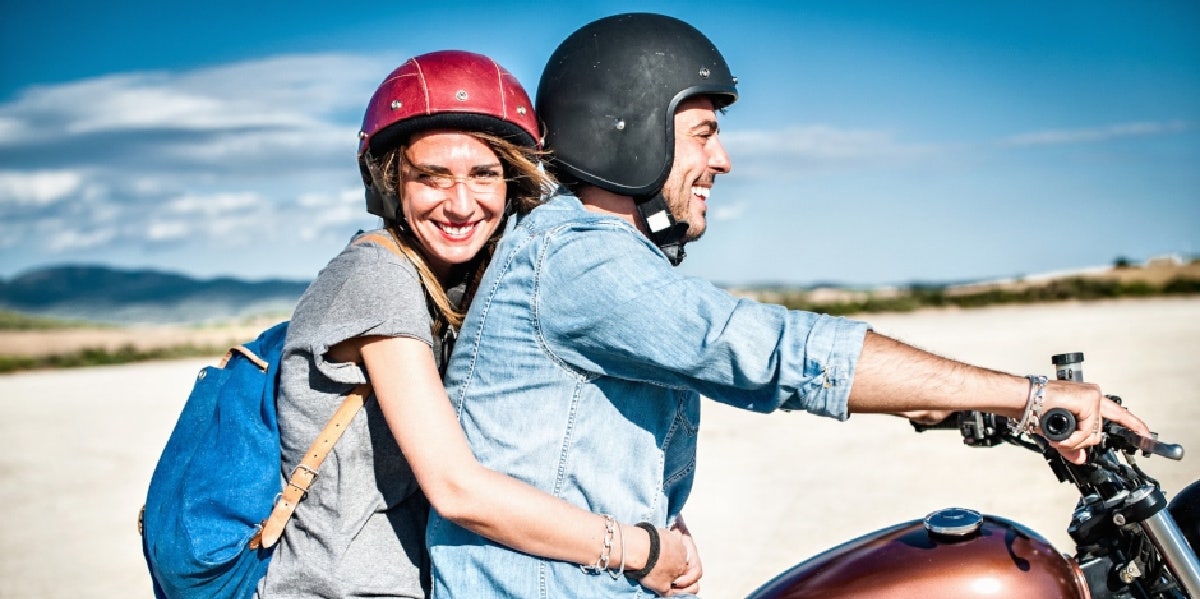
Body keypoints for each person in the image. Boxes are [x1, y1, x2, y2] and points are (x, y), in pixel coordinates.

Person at [426, 13, 1153, 598]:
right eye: (704, 134)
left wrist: (942, 400)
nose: (723, 161)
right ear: (629, 130)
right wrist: (1027, 396)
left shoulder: (590, 256)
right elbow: (771, 351)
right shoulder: (578, 256)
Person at [255, 49, 697, 598]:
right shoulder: (376, 279)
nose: (461, 204)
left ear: (512, 182)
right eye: (432, 178)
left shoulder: (467, 285)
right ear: (390, 185)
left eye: (484, 175)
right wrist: (638, 550)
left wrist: (659, 519)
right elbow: (457, 489)